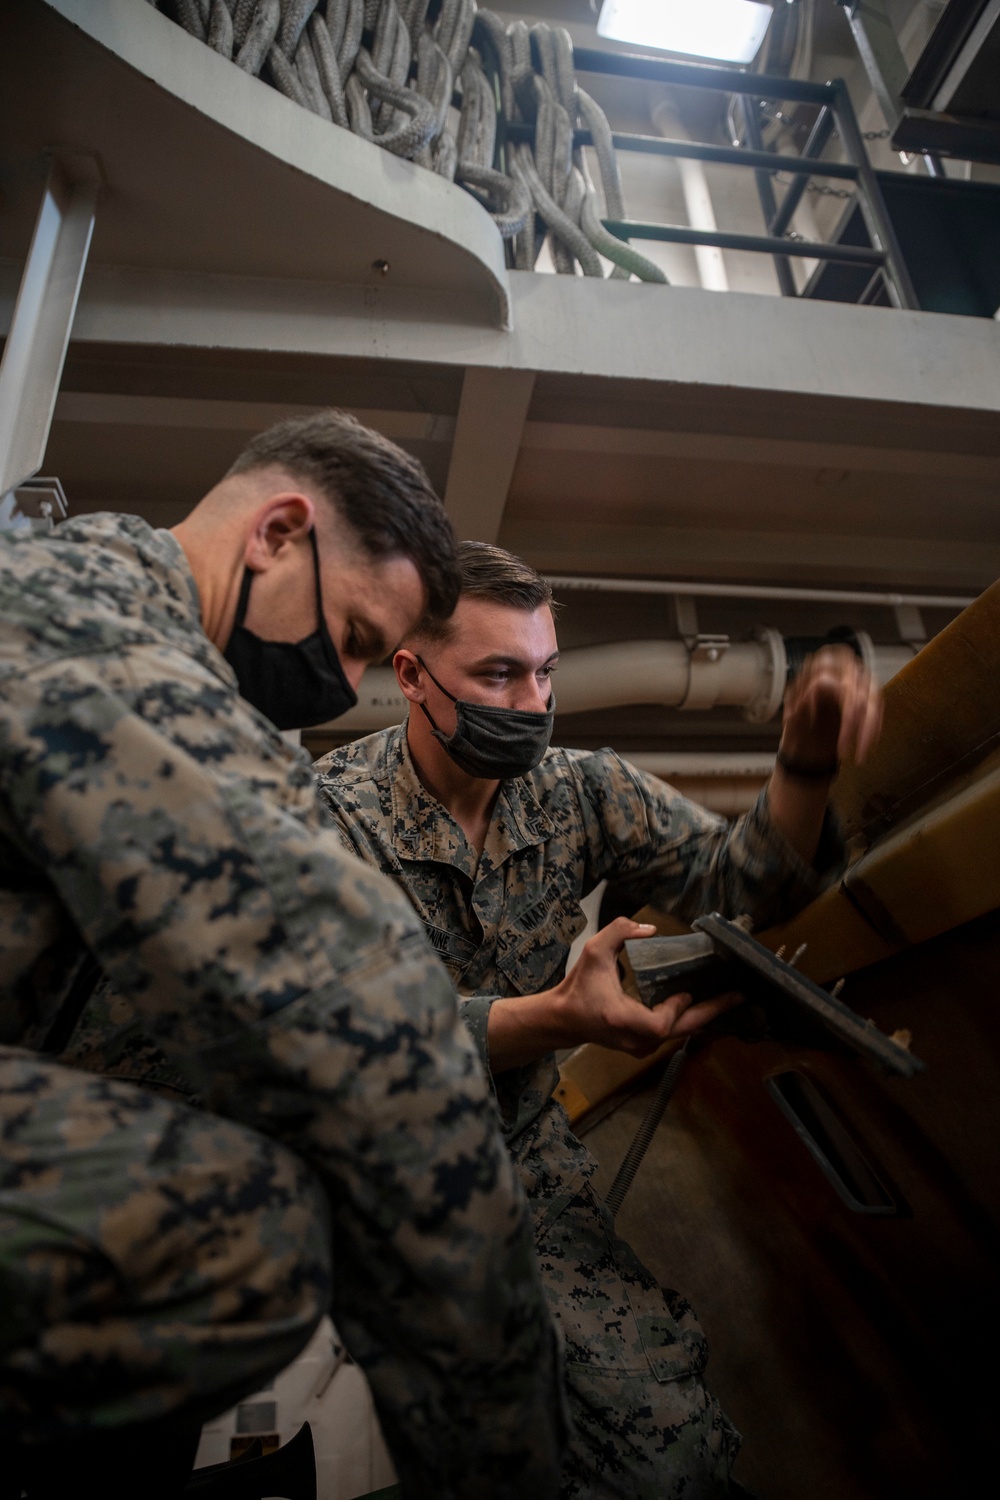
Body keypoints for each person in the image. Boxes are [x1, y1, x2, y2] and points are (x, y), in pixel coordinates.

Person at [0, 418, 565, 1497]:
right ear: (276, 533)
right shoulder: (109, 631)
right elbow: (377, 1040)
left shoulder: (64, 592)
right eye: (352, 636)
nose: (343, 681)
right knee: (241, 1230)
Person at [315, 541, 883, 1499]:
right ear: (411, 675)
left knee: (668, 1444)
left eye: (544, 672)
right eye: (496, 673)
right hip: (367, 1197)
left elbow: (744, 882)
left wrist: (806, 756)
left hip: (525, 1173)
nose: (532, 703)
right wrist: (557, 1018)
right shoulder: (326, 821)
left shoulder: (580, 790)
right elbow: (336, 1041)